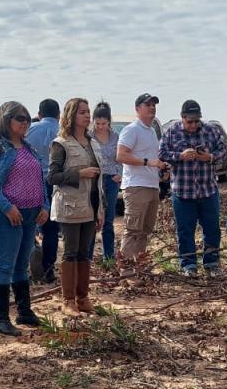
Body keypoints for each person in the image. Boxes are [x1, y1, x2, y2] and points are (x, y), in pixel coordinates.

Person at [0, 101, 50, 335]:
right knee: (6, 264)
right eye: (20, 118)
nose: (26, 122)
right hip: (7, 216)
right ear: (7, 121)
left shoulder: (29, 148)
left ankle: (24, 311)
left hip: (30, 214)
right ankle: (0, 318)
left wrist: (44, 205)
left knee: (21, 264)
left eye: (28, 118)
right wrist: (7, 207)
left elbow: (41, 179)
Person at [48, 98, 105, 314]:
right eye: (82, 112)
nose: (87, 115)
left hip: (91, 205)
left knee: (84, 253)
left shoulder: (93, 143)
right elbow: (52, 176)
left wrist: (101, 208)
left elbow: (100, 179)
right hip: (70, 206)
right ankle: (68, 300)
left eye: (88, 111)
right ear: (71, 115)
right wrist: (79, 174)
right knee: (70, 253)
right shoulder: (61, 143)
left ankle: (83, 297)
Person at [160, 100, 227, 276]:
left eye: (196, 121)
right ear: (182, 118)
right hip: (182, 191)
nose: (193, 125)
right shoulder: (171, 132)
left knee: (212, 228)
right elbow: (162, 155)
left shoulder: (210, 130)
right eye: (190, 121)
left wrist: (210, 157)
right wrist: (180, 156)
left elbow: (223, 151)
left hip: (207, 190)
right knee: (185, 230)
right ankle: (188, 265)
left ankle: (212, 263)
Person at [116, 93, 170, 265]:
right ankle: (126, 271)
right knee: (133, 230)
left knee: (145, 231)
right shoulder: (132, 129)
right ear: (137, 109)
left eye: (154, 104)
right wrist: (148, 162)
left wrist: (161, 168)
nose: (152, 107)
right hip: (136, 186)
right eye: (148, 104)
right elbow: (121, 155)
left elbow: (152, 158)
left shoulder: (152, 131)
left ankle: (139, 267)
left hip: (152, 186)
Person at [25, 98, 62, 284]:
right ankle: (48, 269)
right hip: (56, 184)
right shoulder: (64, 132)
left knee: (29, 224)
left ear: (39, 114)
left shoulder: (30, 130)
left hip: (32, 183)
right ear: (59, 115)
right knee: (51, 229)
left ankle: (31, 257)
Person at [90, 102, 122, 262]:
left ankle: (108, 257)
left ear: (109, 122)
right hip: (94, 180)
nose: (101, 127)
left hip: (111, 180)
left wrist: (120, 173)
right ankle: (87, 257)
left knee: (108, 219)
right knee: (92, 217)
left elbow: (122, 157)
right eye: (98, 124)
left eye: (104, 123)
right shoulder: (89, 137)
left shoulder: (116, 137)